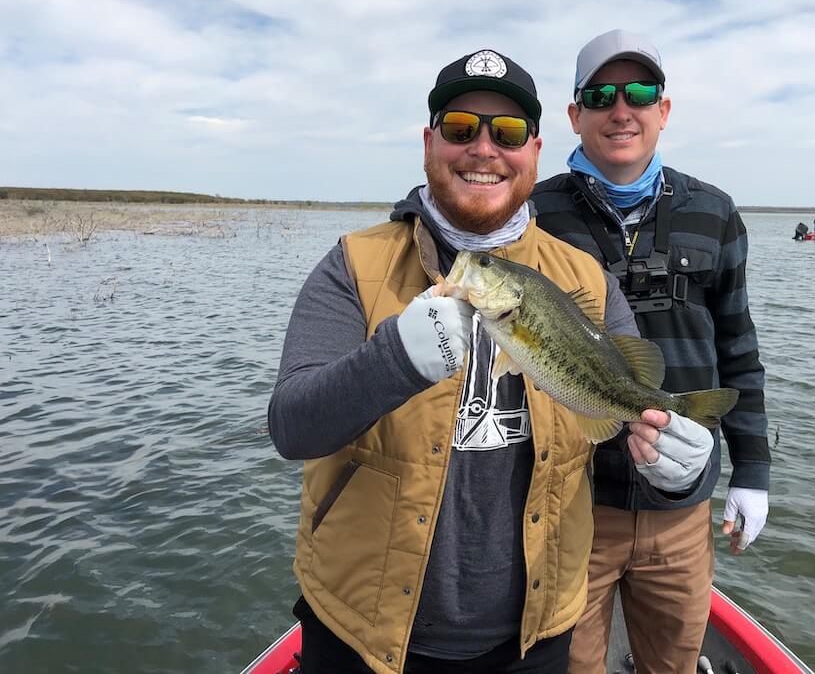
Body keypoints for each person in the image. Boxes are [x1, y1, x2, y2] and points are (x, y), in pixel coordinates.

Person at [267, 48, 715, 674]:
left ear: (534, 150)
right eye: (459, 129)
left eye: (506, 133)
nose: (483, 149)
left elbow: (616, 413)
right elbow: (291, 427)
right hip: (362, 633)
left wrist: (679, 468)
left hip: (535, 639)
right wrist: (390, 359)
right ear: (429, 142)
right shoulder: (352, 265)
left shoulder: (584, 279)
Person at [531, 29, 771, 674]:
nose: (621, 109)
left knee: (674, 661)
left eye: (640, 92)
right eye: (601, 94)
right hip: (567, 506)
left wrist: (751, 471)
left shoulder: (714, 212)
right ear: (575, 114)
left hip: (680, 512)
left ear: (663, 110)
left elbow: (739, 350)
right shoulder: (532, 212)